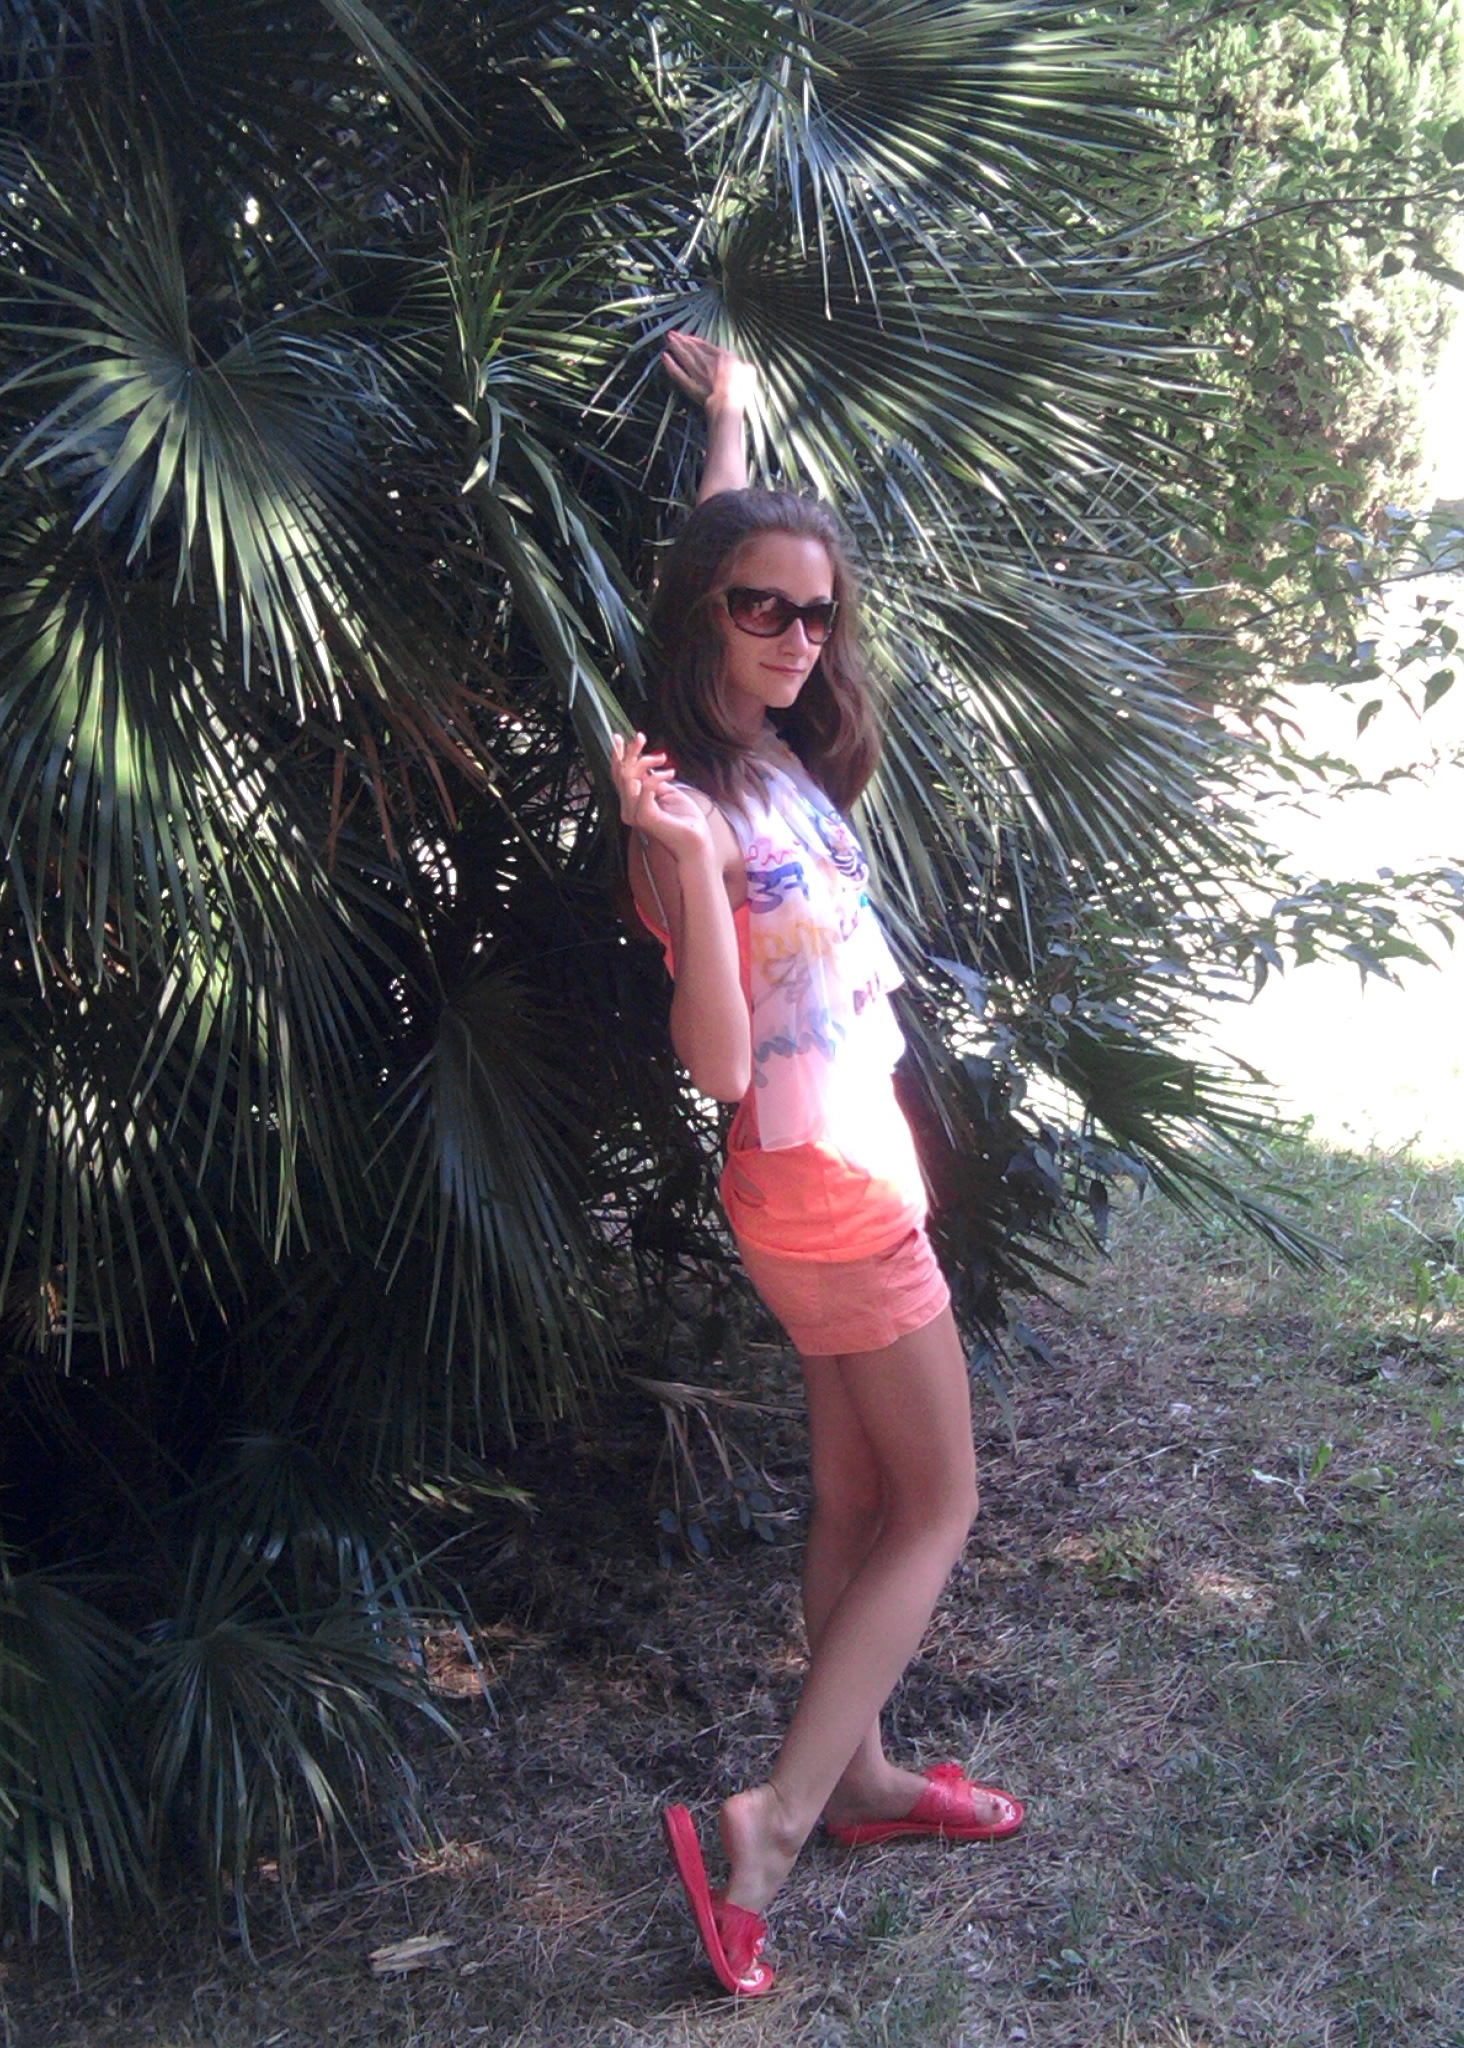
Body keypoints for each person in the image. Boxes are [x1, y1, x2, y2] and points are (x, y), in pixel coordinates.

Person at [610, 332, 1022, 2000]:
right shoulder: (689, 807)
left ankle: (857, 1779)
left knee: (856, 1494)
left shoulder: (751, 731)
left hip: (817, 1182)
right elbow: (715, 1061)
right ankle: (771, 1826)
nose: (795, 636)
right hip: (828, 1185)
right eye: (762, 610)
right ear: (702, 617)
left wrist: (728, 422)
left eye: (815, 612)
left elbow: (730, 544)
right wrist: (691, 867)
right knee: (941, 1502)